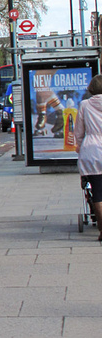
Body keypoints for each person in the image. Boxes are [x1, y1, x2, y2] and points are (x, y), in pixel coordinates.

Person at [75, 74, 102, 240]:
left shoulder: (84, 104)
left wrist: (79, 146)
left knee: (97, 193)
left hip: (91, 151)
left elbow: (79, 131)